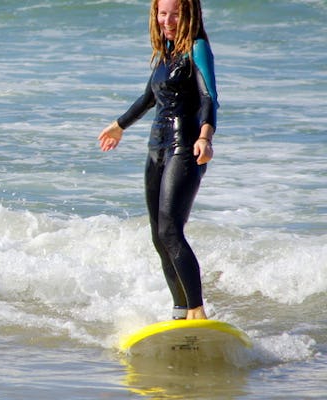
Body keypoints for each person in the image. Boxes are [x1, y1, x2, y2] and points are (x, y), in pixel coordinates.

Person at [97, 0, 217, 320]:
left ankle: (198, 311)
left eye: (175, 13)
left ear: (190, 14)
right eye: (163, 13)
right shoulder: (166, 52)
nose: (168, 20)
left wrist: (205, 137)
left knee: (171, 231)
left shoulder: (197, 48)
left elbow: (209, 98)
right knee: (158, 234)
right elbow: (150, 96)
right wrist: (119, 125)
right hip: (156, 149)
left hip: (185, 146)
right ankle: (181, 310)